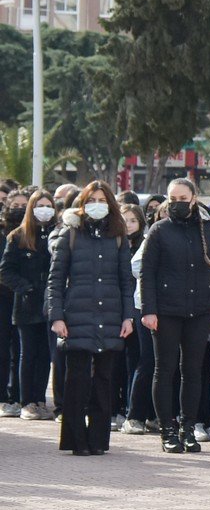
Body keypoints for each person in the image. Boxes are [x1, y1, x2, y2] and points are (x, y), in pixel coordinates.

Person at [135, 178, 210, 454]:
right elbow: (146, 273)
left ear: (194, 199)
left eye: (183, 199)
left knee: (193, 371)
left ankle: (188, 428)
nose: (177, 204)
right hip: (165, 311)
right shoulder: (159, 230)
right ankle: (167, 430)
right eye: (172, 199)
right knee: (164, 370)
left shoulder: (208, 230)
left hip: (199, 310)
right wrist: (149, 310)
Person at [48, 182, 134, 455]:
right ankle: (75, 440)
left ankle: (98, 440)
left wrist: (128, 317)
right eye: (92, 199)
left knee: (104, 382)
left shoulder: (119, 236)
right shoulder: (70, 234)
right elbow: (56, 280)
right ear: (83, 204)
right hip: (77, 316)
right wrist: (57, 316)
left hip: (110, 316)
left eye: (102, 199)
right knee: (77, 381)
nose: (97, 203)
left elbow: (126, 282)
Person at [3, 191, 53, 426]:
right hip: (26, 305)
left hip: (50, 305)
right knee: (27, 353)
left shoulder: (57, 235)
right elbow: (6, 270)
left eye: (48, 205)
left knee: (45, 355)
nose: (44, 209)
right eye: (40, 205)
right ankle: (26, 402)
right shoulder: (18, 237)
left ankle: (40, 400)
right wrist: (26, 288)